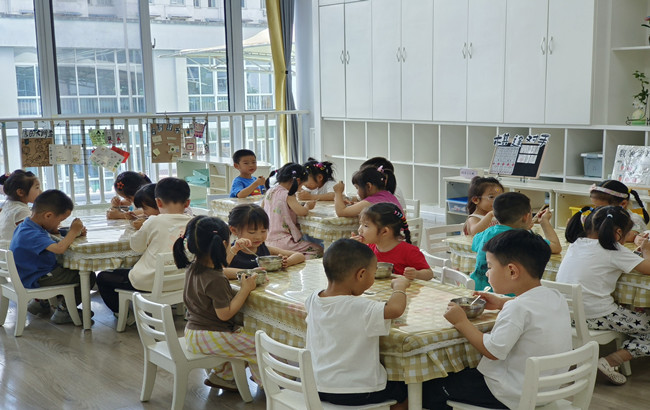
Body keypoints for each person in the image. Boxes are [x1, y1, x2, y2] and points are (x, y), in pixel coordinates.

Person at [422, 230, 572, 409]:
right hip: (544, 389)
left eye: (490, 267)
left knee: (429, 386)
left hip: (508, 393)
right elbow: (533, 309)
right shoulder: (555, 296)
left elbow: (492, 351)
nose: (487, 274)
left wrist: (461, 322)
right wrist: (501, 302)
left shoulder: (517, 308)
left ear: (512, 271)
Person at [305, 238, 409, 409]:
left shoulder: (313, 299)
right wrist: (400, 287)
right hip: (355, 390)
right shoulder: (361, 307)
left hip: (315, 386)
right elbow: (396, 309)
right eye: (373, 274)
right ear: (361, 275)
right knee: (405, 389)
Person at [557, 205, 650, 385]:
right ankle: (611, 361)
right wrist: (646, 250)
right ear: (618, 233)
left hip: (565, 315)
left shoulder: (577, 243)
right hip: (595, 315)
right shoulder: (613, 250)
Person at [173, 215, 261, 391]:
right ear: (223, 244)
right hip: (209, 336)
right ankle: (272, 385)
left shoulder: (195, 266)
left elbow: (219, 265)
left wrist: (234, 249)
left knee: (242, 337)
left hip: (194, 333)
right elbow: (225, 314)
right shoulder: (215, 279)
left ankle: (225, 377)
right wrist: (245, 289)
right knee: (260, 346)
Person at [96, 177, 192, 315]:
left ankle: (124, 315)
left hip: (150, 282)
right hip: (184, 282)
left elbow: (136, 246)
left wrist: (142, 228)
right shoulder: (195, 223)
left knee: (103, 277)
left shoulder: (153, 221)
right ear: (187, 203)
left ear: (158, 202)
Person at [9, 190, 93, 324]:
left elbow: (49, 238)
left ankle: (41, 303)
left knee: (63, 268)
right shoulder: (32, 234)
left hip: (29, 275)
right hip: (37, 278)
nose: (59, 224)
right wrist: (73, 231)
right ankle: (64, 311)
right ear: (48, 215)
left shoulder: (26, 226)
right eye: (60, 220)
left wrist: (70, 232)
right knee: (86, 275)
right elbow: (59, 249)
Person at [471, 192, 561, 292]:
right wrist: (544, 222)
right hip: (508, 295)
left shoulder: (487, 232)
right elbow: (556, 247)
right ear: (526, 217)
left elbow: (474, 243)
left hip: (478, 290)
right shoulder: (523, 238)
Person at [353, 202, 432, 280]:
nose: (360, 230)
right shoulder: (369, 248)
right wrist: (352, 248)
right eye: (361, 224)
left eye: (366, 226)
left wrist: (416, 274)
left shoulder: (409, 251)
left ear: (384, 231)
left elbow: (429, 273)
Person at [224, 203, 305, 278]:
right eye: (252, 232)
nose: (258, 237)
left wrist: (287, 262)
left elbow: (299, 255)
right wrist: (250, 272)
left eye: (263, 231)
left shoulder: (265, 249)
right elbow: (222, 271)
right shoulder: (231, 251)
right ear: (234, 230)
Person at [262, 163, 323, 258]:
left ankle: (290, 260)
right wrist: (307, 206)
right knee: (317, 249)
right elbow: (301, 212)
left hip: (268, 240)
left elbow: (263, 208)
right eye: (302, 185)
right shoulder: (288, 194)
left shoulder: (270, 191)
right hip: (284, 242)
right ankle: (296, 262)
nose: (300, 188)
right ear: (297, 181)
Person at [333, 166, 402, 217]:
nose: (357, 192)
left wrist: (338, 192)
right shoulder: (389, 195)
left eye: (357, 188)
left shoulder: (371, 202)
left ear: (369, 186)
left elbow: (341, 212)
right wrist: (356, 204)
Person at [0, 170, 42, 245]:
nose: (41, 191)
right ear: (21, 192)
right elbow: (33, 235)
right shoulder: (21, 211)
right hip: (12, 250)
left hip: (4, 250)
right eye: (37, 188)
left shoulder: (7, 206)